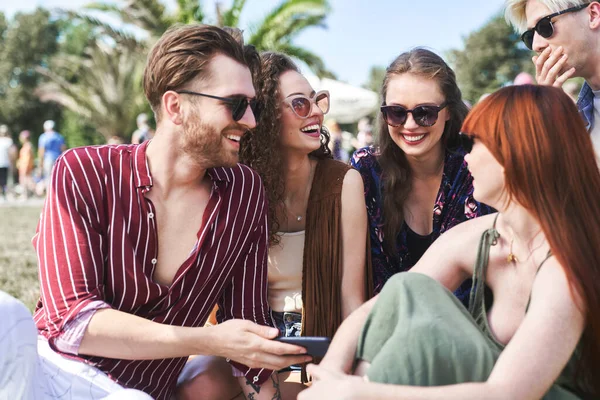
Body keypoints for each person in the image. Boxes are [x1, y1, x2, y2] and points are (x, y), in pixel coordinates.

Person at [0, 24, 311, 400]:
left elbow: (246, 328)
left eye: (254, 106)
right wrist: (208, 340)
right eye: (236, 104)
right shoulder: (84, 171)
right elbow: (73, 322)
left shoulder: (243, 192)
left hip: (137, 396)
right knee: (6, 316)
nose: (251, 121)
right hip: (48, 375)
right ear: (175, 106)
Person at [299, 85, 600, 400]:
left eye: (476, 143)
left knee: (420, 340)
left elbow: (507, 394)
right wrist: (332, 372)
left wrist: (360, 393)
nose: (466, 156)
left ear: (515, 153)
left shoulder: (562, 269)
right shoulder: (486, 235)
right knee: (407, 289)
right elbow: (378, 308)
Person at [178, 51, 372, 400]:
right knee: (193, 385)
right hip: (250, 340)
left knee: (298, 386)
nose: (315, 112)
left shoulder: (343, 183)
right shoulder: (237, 185)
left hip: (314, 340)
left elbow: (351, 299)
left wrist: (344, 364)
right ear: (265, 117)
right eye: (300, 104)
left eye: (317, 101)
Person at [350, 48, 494, 298]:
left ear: (448, 110)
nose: (410, 125)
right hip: (385, 327)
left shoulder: (477, 163)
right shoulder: (366, 169)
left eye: (424, 113)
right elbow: (350, 274)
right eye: (396, 112)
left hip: (470, 331)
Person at [505, 0, 600, 154]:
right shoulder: (576, 119)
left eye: (544, 26)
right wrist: (553, 122)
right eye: (530, 36)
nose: (536, 45)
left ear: (593, 15)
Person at [16, 130, 35, 199]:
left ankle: (26, 195)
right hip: (24, 166)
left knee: (26, 181)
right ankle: (26, 194)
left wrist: (25, 167)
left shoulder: (27, 146)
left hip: (25, 167)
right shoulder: (26, 146)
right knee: (26, 181)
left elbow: (27, 158)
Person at [0, 124, 17, 200]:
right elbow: (12, 153)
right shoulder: (9, 141)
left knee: (2, 180)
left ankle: (3, 194)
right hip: (6, 163)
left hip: (3, 163)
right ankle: (4, 194)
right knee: (5, 180)